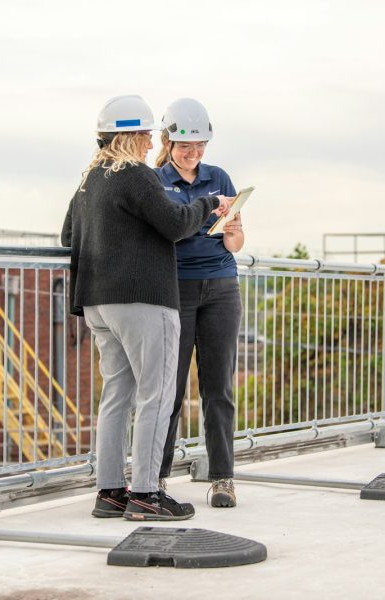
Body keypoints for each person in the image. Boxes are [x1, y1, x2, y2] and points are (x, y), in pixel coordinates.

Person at [60, 95, 231, 521]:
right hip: (142, 300)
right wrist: (209, 205)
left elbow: (68, 235)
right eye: (148, 133)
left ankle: (110, 492)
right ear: (133, 136)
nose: (151, 139)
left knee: (116, 396)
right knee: (156, 395)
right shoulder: (137, 175)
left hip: (97, 303)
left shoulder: (89, 179)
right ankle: (145, 495)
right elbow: (175, 226)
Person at [154, 98, 244, 508]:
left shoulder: (219, 176)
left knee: (218, 388)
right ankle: (155, 477)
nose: (194, 154)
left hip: (222, 287)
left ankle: (223, 478)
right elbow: (166, 234)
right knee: (169, 390)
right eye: (186, 147)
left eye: (200, 146)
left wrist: (234, 227)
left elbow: (236, 245)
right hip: (177, 289)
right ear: (168, 141)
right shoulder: (155, 181)